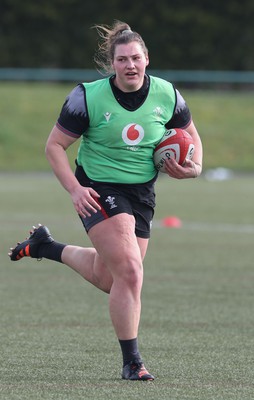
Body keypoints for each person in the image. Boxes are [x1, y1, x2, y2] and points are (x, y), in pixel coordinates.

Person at [9, 20, 203, 381]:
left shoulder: (167, 93)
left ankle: (45, 247)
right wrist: (74, 189)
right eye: (122, 59)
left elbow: (191, 134)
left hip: (142, 192)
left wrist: (195, 167)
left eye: (136, 58)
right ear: (111, 64)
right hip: (98, 188)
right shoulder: (87, 97)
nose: (130, 65)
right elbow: (54, 146)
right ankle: (132, 362)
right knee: (129, 272)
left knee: (110, 278)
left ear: (147, 59)